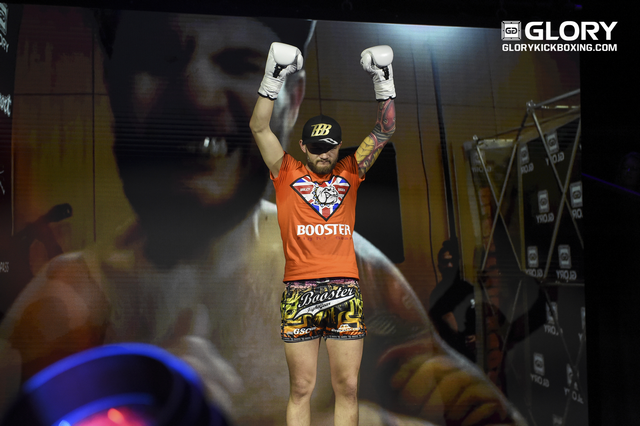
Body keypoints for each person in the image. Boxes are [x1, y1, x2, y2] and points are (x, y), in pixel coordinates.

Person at [0, 10, 526, 426]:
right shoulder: (65, 304)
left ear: (291, 102)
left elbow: (472, 411)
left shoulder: (345, 269)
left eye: (238, 64)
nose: (198, 95)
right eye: (159, 58)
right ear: (114, 88)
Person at [250, 42, 396, 426]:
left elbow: (385, 129)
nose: (323, 155)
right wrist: (273, 75)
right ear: (303, 147)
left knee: (347, 387)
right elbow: (259, 127)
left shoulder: (350, 172)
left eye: (329, 148)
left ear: (338, 148)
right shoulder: (286, 171)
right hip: (300, 292)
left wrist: (384, 80)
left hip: (345, 290)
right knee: (301, 389)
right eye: (315, 149)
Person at [428, 239, 476, 362]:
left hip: (477, 354)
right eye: (446, 262)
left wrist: (479, 336)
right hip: (453, 357)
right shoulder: (437, 294)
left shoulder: (469, 289)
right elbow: (450, 323)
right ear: (439, 267)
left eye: (452, 261)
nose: (450, 265)